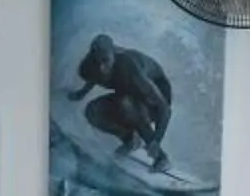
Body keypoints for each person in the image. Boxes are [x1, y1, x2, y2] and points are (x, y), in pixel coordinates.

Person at [67, 33, 173, 170]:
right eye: (97, 62)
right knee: (92, 111)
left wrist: (156, 140)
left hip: (157, 97)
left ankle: (161, 158)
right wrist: (80, 93)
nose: (102, 68)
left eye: (105, 61)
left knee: (126, 104)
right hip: (129, 96)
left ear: (114, 54)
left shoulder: (129, 67)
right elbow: (93, 77)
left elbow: (164, 108)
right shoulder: (91, 66)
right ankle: (130, 140)